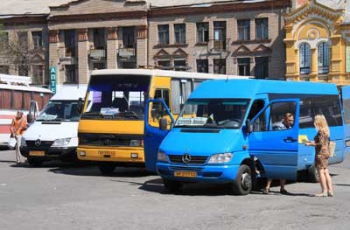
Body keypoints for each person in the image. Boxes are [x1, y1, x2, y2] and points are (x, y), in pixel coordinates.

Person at [262, 112, 294, 195]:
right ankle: (267, 187)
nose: (291, 122)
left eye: (292, 120)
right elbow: (276, 138)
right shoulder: (278, 126)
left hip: (285, 151)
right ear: (285, 119)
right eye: (290, 120)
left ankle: (282, 188)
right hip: (276, 150)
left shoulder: (290, 127)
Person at [305, 114, 333, 197]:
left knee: (321, 172)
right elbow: (323, 142)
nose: (314, 122)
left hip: (320, 154)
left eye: (315, 120)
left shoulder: (320, 131)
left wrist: (309, 144)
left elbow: (320, 144)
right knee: (326, 172)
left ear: (318, 122)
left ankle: (324, 191)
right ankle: (330, 191)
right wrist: (311, 142)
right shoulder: (326, 130)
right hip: (326, 153)